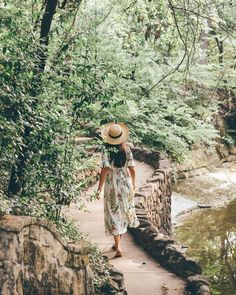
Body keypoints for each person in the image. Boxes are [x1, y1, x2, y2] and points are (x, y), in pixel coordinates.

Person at [97, 122, 140, 258]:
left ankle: (119, 246)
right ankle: (118, 243)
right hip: (125, 183)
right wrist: (133, 184)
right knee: (124, 211)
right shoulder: (126, 149)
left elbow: (105, 169)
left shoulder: (106, 150)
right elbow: (132, 168)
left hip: (112, 185)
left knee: (113, 212)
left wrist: (100, 187)